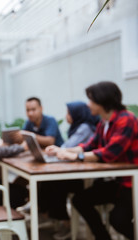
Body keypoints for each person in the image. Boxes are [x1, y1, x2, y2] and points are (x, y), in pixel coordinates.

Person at [46, 81, 138, 240]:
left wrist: (75, 156)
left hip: (132, 184)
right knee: (80, 200)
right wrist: (61, 151)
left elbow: (109, 153)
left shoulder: (126, 119)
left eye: (91, 100)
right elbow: (88, 146)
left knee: (118, 220)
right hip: (117, 182)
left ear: (103, 101)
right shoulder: (104, 122)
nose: (88, 105)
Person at [42, 101, 99, 240]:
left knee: (55, 182)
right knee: (51, 181)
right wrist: (59, 150)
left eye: (69, 112)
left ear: (76, 114)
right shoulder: (78, 127)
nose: (66, 116)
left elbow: (71, 146)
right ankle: (51, 215)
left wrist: (60, 150)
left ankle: (63, 222)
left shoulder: (85, 128)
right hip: (78, 172)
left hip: (86, 177)